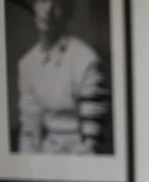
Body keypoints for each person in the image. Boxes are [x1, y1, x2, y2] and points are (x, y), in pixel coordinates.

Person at [16, 0, 111, 154]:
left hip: (80, 159)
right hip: (46, 158)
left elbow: (92, 142)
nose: (48, 10)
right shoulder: (27, 63)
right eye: (42, 1)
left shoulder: (86, 61)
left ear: (68, 12)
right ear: (34, 6)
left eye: (57, 3)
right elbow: (29, 133)